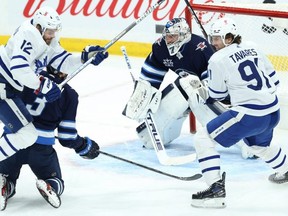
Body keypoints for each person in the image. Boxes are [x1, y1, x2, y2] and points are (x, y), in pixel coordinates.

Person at [178, 17, 288, 208]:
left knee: (203, 139)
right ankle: (286, 170)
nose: (213, 43)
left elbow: (218, 95)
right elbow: (274, 80)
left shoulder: (216, 59)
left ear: (229, 38)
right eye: (212, 38)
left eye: (217, 39)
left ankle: (215, 190)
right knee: (257, 146)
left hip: (250, 115)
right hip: (272, 111)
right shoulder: (253, 46)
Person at [122, 17, 253, 159]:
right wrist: (144, 94)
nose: (168, 40)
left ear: (184, 35)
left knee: (193, 88)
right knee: (148, 138)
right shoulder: (161, 47)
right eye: (167, 36)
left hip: (222, 98)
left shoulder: (201, 48)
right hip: (190, 91)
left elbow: (214, 89)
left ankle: (245, 141)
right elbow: (151, 75)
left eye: (173, 36)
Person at [0, 6, 108, 162]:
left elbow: (64, 62)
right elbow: (19, 68)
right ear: (39, 27)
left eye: (54, 31)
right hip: (3, 86)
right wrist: (41, 84)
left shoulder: (46, 39)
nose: (52, 35)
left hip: (7, 89)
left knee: (27, 134)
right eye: (50, 31)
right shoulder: (28, 34)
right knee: (26, 134)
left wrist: (85, 58)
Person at [0, 65, 101, 210]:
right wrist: (84, 146)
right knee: (56, 180)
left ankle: (5, 184)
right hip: (41, 149)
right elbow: (67, 136)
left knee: (5, 174)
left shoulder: (28, 78)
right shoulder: (69, 94)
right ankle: (50, 185)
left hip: (12, 141)